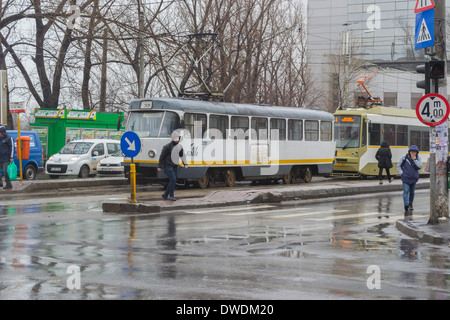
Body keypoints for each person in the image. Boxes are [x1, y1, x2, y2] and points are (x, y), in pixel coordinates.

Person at [157, 131, 188, 201]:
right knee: (173, 179)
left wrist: (185, 163)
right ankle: (171, 196)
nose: (176, 140)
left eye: (177, 138)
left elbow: (182, 155)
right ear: (172, 138)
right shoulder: (167, 147)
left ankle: (165, 195)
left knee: (173, 181)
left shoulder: (179, 147)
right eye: (175, 138)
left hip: (175, 167)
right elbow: (162, 157)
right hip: (167, 166)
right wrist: (159, 166)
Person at [397, 145, 422, 215]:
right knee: (406, 190)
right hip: (405, 177)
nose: (413, 153)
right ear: (409, 152)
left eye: (415, 152)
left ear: (417, 152)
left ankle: (410, 204)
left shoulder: (418, 158)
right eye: (412, 151)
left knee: (412, 192)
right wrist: (401, 173)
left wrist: (414, 160)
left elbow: (419, 166)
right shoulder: (404, 157)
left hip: (414, 178)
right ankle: (406, 204)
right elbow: (399, 165)